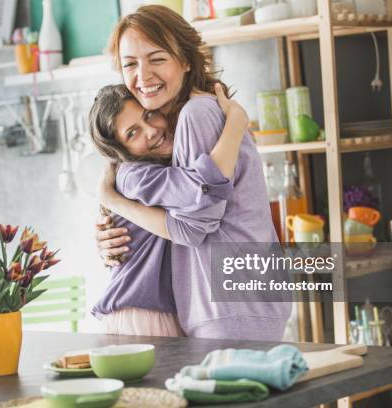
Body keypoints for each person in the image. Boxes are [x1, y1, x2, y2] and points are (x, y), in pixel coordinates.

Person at [96, 5, 291, 340]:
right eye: (130, 64)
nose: (142, 75)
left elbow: (191, 227)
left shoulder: (195, 115)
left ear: (185, 60)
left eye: (156, 59)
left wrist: (111, 199)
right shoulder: (185, 121)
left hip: (231, 304)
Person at [89, 83, 249, 336]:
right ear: (122, 151)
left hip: (163, 311)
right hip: (140, 315)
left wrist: (111, 201)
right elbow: (205, 188)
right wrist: (237, 121)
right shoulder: (133, 175)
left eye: (149, 115)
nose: (151, 131)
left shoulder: (164, 168)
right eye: (133, 133)